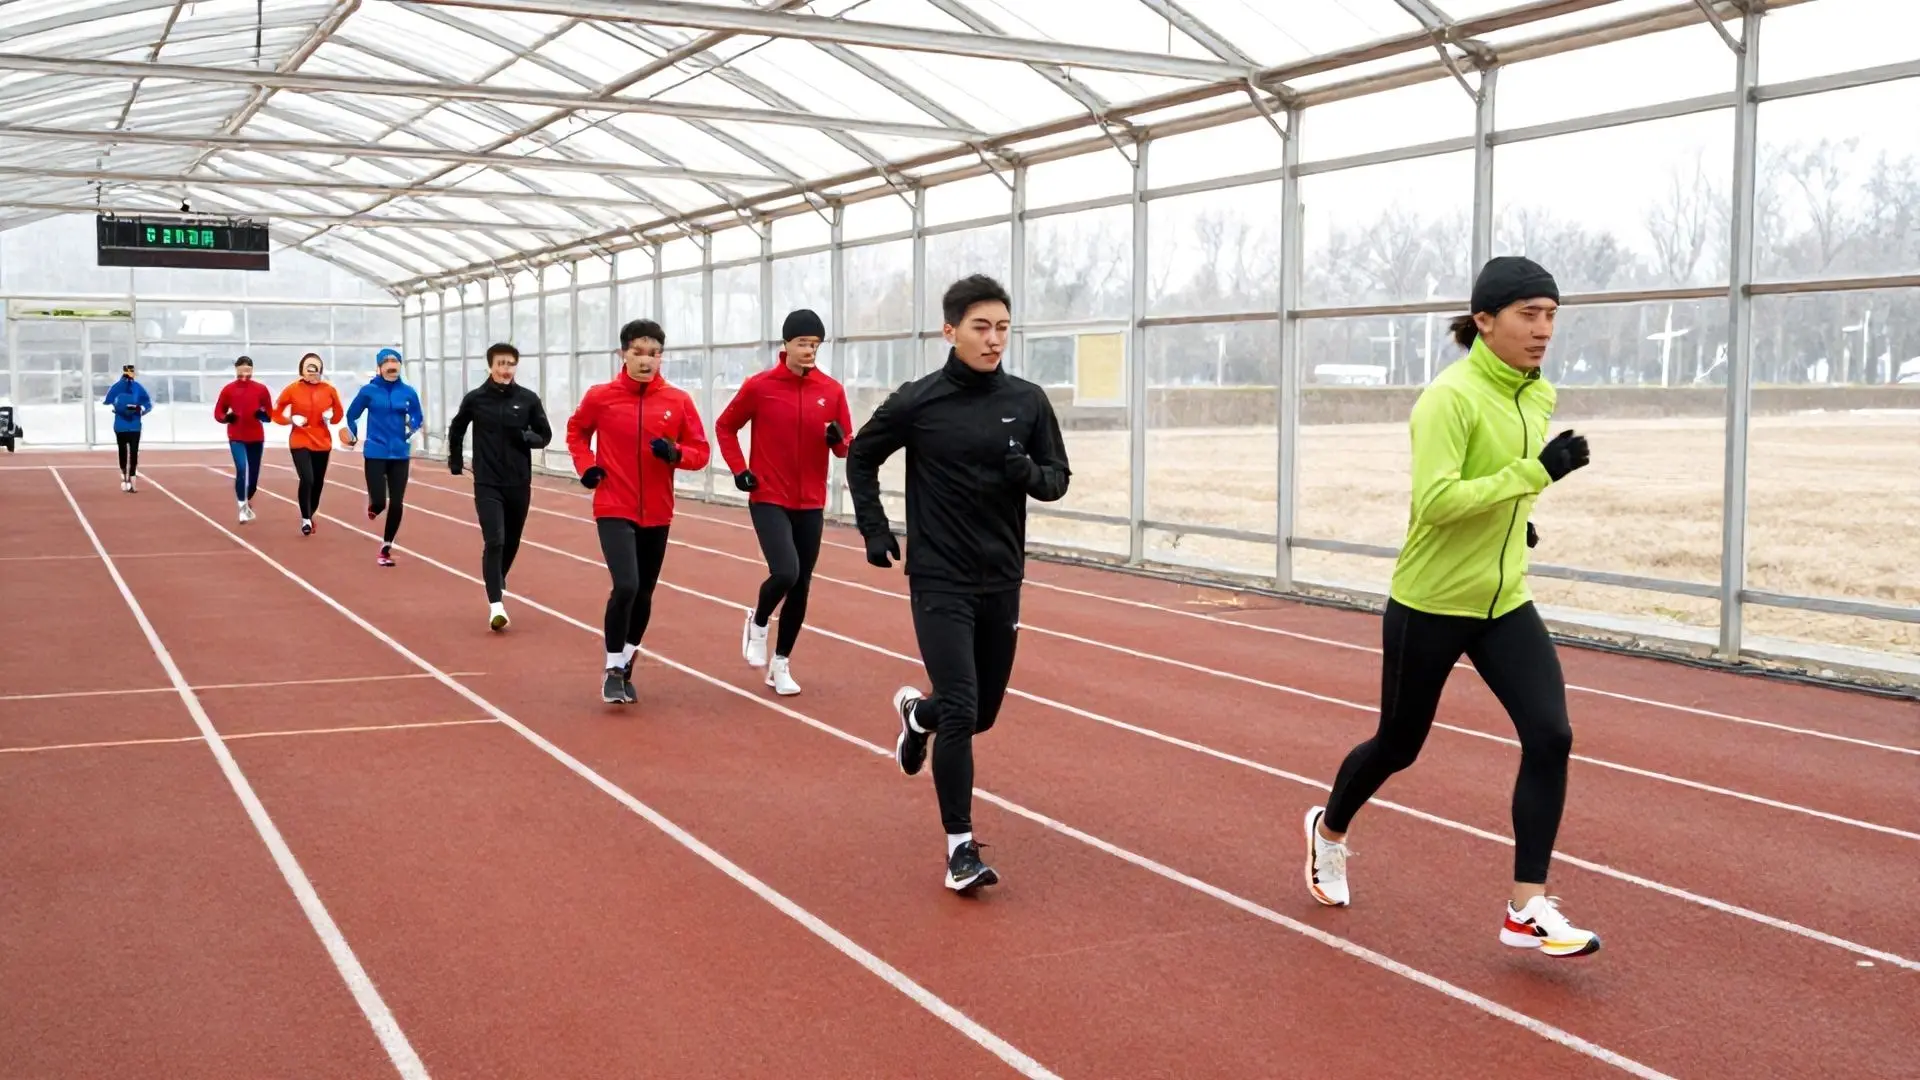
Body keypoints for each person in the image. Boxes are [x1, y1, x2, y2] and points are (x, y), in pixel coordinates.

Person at [1301, 255, 1598, 958]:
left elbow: (1493, 489)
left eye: (1552, 314)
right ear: (1485, 321)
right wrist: (1535, 473)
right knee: (1400, 746)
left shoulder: (1538, 395)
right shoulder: (1449, 398)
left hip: (1503, 601)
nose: (1544, 329)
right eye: (1529, 314)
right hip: (1430, 602)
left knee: (1551, 735)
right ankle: (1330, 830)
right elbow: (1434, 504)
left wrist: (1516, 517)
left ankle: (1526, 905)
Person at [846, 274, 1072, 893]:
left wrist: (1028, 472)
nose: (994, 338)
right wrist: (874, 528)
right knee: (965, 705)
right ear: (950, 331)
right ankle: (960, 849)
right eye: (981, 327)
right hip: (938, 576)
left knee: (981, 714)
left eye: (1002, 327)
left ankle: (919, 717)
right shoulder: (919, 401)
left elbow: (1058, 479)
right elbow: (861, 455)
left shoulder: (1028, 401)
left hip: (1001, 578)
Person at [566, 319, 709, 705]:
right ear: (623, 354)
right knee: (626, 585)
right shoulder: (601, 396)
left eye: (654, 353)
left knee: (644, 592)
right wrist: (587, 466)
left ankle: (627, 660)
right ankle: (612, 668)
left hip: (658, 511)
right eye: (638, 352)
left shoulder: (678, 402)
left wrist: (677, 454)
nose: (646, 361)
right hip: (613, 503)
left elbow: (701, 451)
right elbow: (576, 432)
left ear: (662, 356)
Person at [715, 308, 853, 697]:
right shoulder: (760, 386)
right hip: (768, 495)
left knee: (803, 584)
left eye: (815, 344)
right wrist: (739, 468)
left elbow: (846, 448)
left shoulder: (831, 391)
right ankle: (758, 622)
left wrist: (838, 440)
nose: (809, 350)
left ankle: (781, 664)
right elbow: (726, 426)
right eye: (803, 343)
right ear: (786, 344)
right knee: (786, 571)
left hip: (810, 499)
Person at [447, 342, 550, 630]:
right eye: (500, 363)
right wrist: (455, 460)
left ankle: (497, 577)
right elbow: (457, 428)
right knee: (495, 539)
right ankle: (496, 605)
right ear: (490, 366)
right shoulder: (476, 399)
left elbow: (546, 435)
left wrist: (529, 438)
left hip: (519, 481)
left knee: (513, 540)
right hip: (487, 481)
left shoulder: (528, 400)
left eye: (510, 364)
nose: (505, 369)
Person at [342, 348, 425, 567]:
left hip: (399, 453)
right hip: (376, 451)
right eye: (387, 362)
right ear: (379, 367)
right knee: (379, 502)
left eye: (395, 361)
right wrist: (352, 433)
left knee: (397, 502)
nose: (392, 365)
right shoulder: (369, 391)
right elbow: (352, 415)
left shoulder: (408, 392)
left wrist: (411, 427)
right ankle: (374, 506)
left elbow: (418, 415)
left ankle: (386, 546)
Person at [274, 352, 346, 535]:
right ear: (302, 371)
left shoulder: (329, 390)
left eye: (316, 369)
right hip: (300, 440)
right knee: (307, 478)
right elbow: (275, 413)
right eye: (309, 368)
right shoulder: (292, 389)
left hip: (322, 442)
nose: (313, 372)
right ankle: (305, 518)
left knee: (318, 483)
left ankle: (310, 513)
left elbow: (338, 416)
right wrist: (291, 420)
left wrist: (331, 415)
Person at [213, 355, 274, 522]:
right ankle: (241, 507)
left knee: (253, 478)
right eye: (241, 371)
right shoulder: (228, 390)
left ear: (252, 370)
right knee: (241, 469)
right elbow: (218, 412)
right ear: (236, 371)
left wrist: (263, 415)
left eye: (248, 371)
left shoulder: (261, 389)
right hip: (236, 436)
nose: (244, 375)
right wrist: (226, 418)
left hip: (255, 437)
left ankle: (247, 501)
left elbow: (270, 413)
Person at [101, 363, 152, 492]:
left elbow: (147, 403)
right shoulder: (117, 387)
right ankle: (124, 476)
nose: (129, 378)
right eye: (128, 374)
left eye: (131, 374)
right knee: (123, 451)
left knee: (134, 453)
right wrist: (119, 407)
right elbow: (108, 401)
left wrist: (140, 409)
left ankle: (132, 478)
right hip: (121, 426)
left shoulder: (137, 388)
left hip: (134, 426)